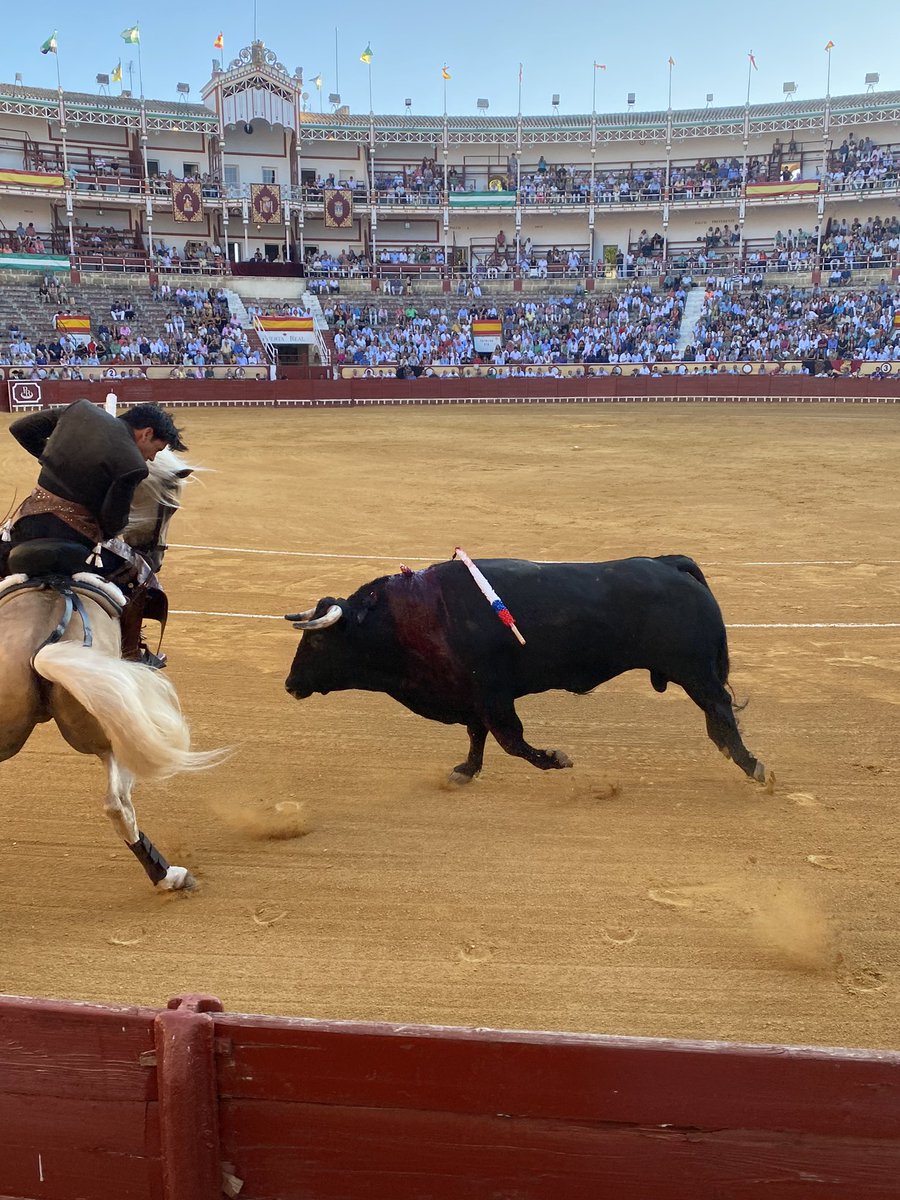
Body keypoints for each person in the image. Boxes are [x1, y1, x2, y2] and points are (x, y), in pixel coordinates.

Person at [2, 399, 188, 668]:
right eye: (155, 450)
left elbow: (21, 428)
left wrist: (53, 460)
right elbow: (112, 524)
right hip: (74, 541)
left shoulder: (79, 410)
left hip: (25, 528)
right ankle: (132, 653)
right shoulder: (133, 465)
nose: (152, 457)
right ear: (146, 433)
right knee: (139, 578)